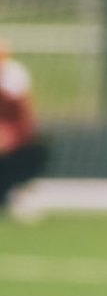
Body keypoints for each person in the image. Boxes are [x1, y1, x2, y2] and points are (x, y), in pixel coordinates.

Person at [0, 40, 50, 212]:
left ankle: (16, 191)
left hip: (13, 143)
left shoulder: (14, 75)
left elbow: (23, 118)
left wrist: (10, 134)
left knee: (37, 149)